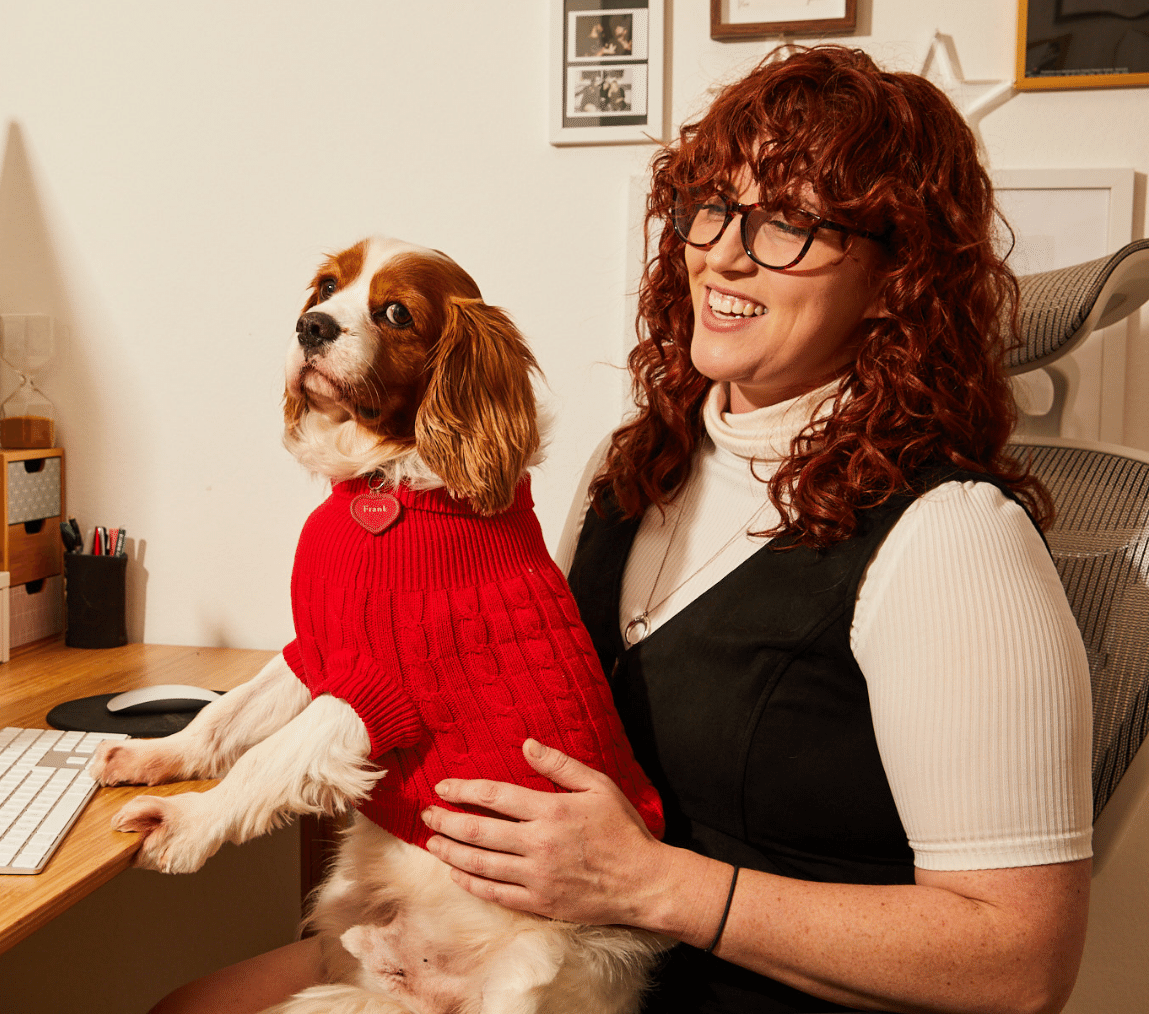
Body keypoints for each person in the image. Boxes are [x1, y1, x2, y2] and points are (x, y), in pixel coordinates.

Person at [153, 46, 1092, 1014]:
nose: (724, 252)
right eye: (713, 206)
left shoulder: (955, 541)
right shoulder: (630, 470)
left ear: (899, 278)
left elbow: (1019, 964)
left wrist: (654, 886)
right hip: (526, 946)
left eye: (791, 223)